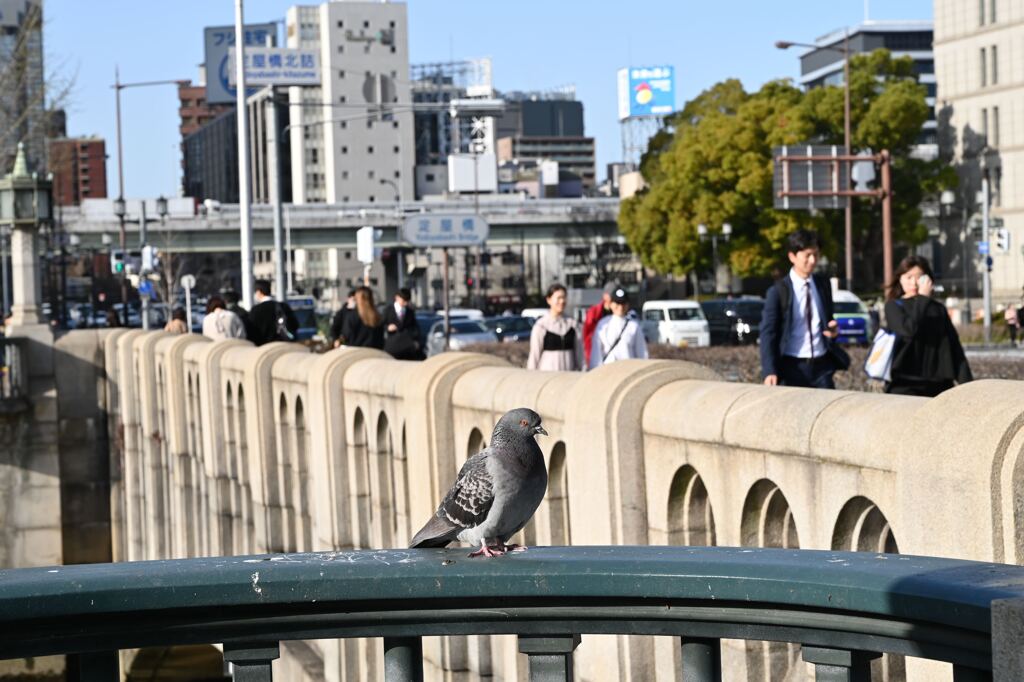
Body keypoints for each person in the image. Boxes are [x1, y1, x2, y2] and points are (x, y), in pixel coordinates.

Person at [759, 229, 847, 389]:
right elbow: (768, 332)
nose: (813, 260)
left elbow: (827, 320)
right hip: (792, 366)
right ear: (792, 256)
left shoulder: (823, 284)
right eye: (807, 255)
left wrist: (833, 332)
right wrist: (769, 370)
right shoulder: (778, 291)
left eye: (816, 255)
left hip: (822, 366)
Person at [883, 255, 972, 396]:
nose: (914, 283)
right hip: (905, 384)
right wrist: (923, 299)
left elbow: (955, 347)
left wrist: (968, 384)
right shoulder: (893, 306)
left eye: (919, 277)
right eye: (908, 277)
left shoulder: (938, 309)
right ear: (900, 279)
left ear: (928, 280)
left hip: (939, 384)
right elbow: (909, 330)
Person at [528, 283, 583, 371]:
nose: (562, 301)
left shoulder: (573, 325)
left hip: (569, 377)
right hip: (548, 378)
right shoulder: (541, 326)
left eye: (564, 297)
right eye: (558, 298)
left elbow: (580, 354)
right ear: (549, 300)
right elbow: (534, 355)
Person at [588, 287, 647, 369]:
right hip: (607, 371)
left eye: (623, 303)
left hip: (628, 370)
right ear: (611, 304)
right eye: (617, 303)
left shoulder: (634, 326)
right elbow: (596, 352)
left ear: (627, 305)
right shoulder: (603, 324)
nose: (620, 306)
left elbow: (642, 353)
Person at [248, 279, 298, 346]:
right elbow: (295, 325)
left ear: (259, 292)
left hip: (263, 348)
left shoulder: (255, 310)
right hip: (284, 345)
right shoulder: (283, 306)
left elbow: (251, 332)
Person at [382, 287, 423, 360]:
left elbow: (415, 328)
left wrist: (416, 342)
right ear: (397, 298)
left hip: (407, 347)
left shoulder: (410, 311)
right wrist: (387, 327)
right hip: (392, 347)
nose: (406, 303)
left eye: (407, 301)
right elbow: (380, 325)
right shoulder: (387, 310)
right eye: (404, 300)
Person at [583, 282, 617, 367]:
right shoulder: (594, 312)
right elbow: (587, 335)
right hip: (598, 354)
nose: (613, 298)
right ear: (605, 295)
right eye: (611, 295)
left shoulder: (619, 311)